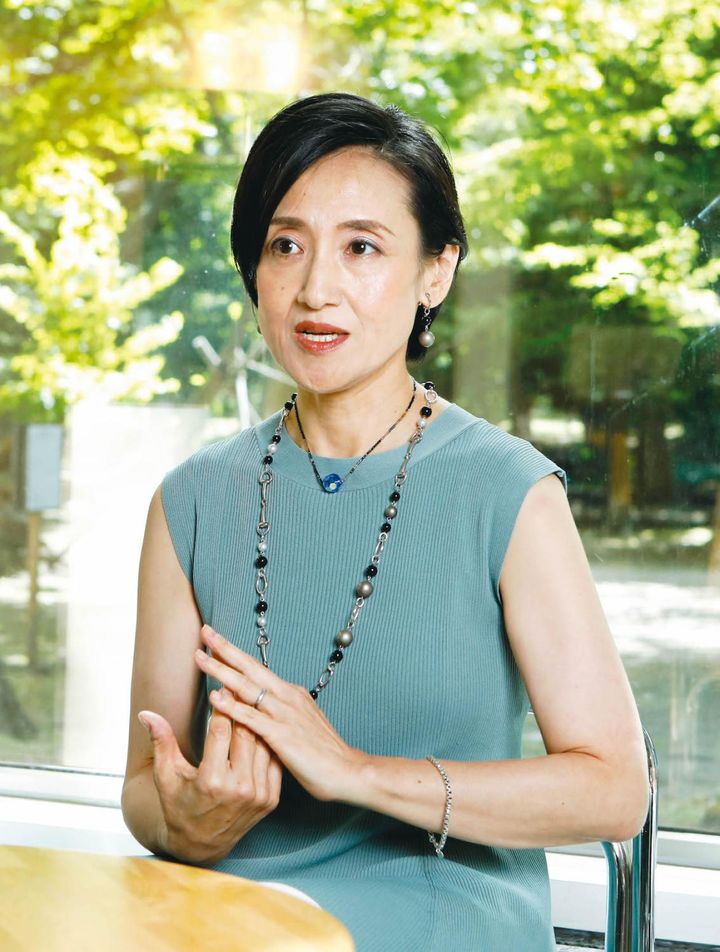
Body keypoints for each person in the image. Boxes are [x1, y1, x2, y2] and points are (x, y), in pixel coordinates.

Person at [121, 92, 650, 952]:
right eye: (286, 245)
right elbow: (146, 790)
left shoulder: (506, 489)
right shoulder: (192, 498)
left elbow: (614, 790)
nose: (315, 289)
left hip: (439, 924)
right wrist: (192, 823)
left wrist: (355, 773)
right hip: (229, 926)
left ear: (436, 272)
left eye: (361, 247)